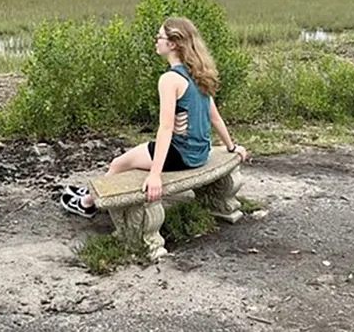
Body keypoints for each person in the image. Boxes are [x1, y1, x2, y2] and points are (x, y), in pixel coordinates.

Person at [60, 16, 248, 218]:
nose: (155, 41)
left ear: (173, 43)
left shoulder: (170, 79)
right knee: (132, 157)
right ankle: (91, 193)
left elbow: (165, 128)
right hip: (200, 153)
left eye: (159, 37)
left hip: (181, 155)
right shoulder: (199, 74)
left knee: (117, 164)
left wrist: (155, 175)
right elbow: (215, 118)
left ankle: (87, 204)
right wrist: (231, 147)